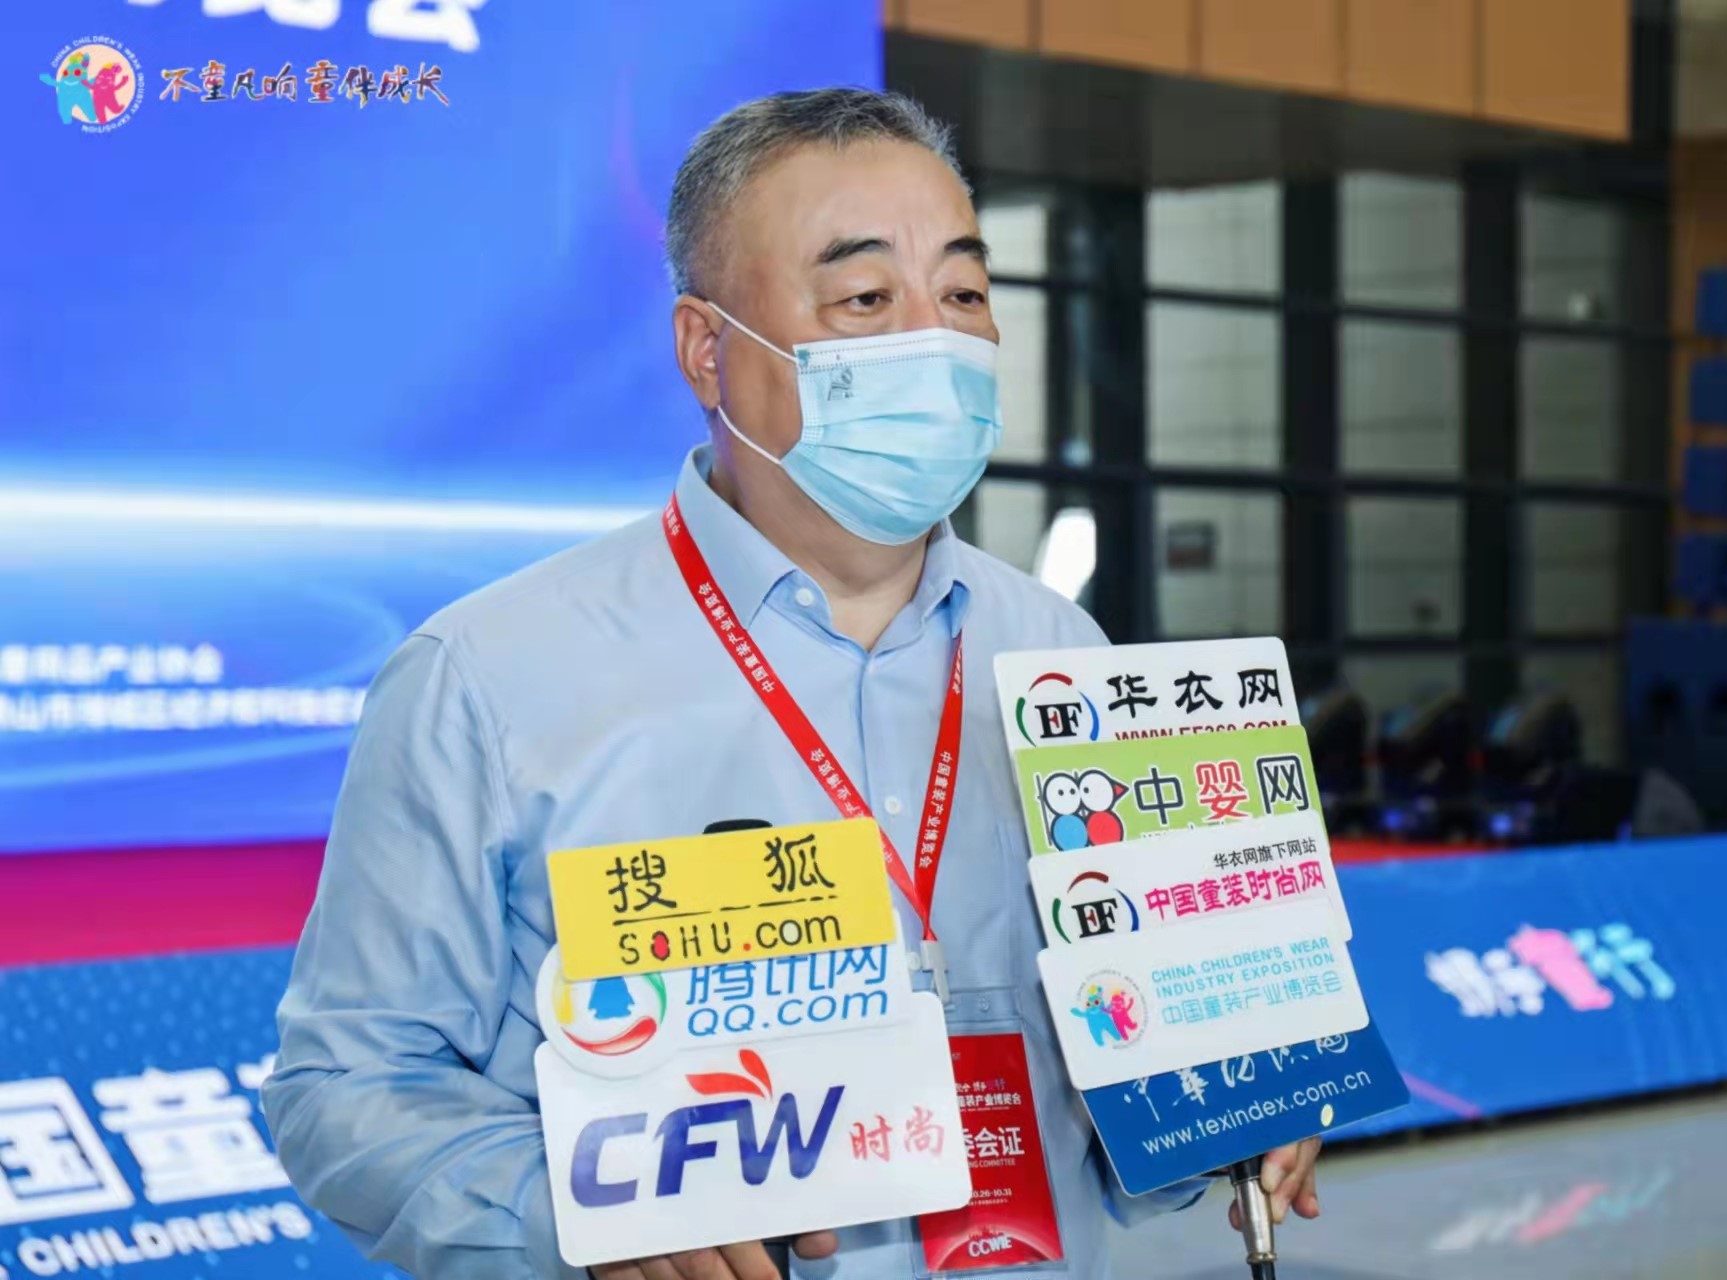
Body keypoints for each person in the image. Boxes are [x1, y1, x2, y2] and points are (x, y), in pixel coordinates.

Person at [263, 87, 1322, 1280]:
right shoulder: (489, 677)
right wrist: (585, 1210)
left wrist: (1228, 1096)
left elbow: (1126, 1063)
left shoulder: (1064, 656)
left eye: (964, 293)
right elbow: (345, 1084)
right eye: (866, 298)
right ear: (707, 349)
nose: (936, 341)